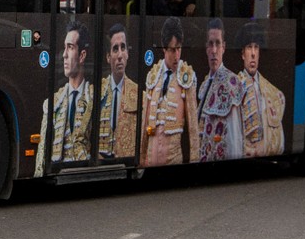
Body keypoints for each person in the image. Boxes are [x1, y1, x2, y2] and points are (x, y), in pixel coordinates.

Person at [35, 24, 94, 172]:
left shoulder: (94, 98)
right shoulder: (53, 102)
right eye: (64, 47)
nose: (64, 55)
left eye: (70, 47)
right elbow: (42, 152)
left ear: (82, 56)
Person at [141, 17, 198, 166]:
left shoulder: (187, 76)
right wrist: (140, 159)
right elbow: (144, 122)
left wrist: (195, 161)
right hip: (150, 160)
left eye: (179, 49)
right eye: (172, 50)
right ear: (164, 48)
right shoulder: (153, 75)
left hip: (173, 161)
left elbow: (193, 127)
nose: (177, 55)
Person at [236, 21, 285, 157]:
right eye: (249, 47)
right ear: (242, 54)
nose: (253, 53)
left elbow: (280, 140)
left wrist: (265, 145)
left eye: (256, 48)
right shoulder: (233, 87)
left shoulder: (273, 92)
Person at [196, 19, 243, 162]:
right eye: (211, 44)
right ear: (206, 48)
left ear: (224, 47)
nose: (214, 50)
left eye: (218, 43)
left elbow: (234, 140)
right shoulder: (205, 85)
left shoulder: (230, 83)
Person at [98, 23, 139, 160]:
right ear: (108, 57)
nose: (120, 55)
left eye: (123, 47)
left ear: (128, 53)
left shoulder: (139, 94)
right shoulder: (95, 92)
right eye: (115, 49)